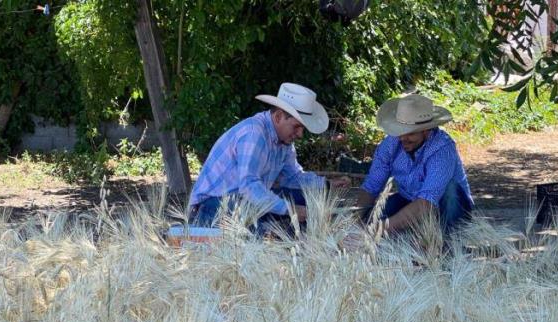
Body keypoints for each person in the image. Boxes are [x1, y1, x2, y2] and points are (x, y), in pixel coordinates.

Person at [188, 82, 351, 228]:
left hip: (242, 201)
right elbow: (249, 186)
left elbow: (293, 177)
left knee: (307, 198)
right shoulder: (254, 134)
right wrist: (290, 210)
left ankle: (285, 234)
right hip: (212, 205)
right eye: (296, 127)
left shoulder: (284, 142)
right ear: (279, 116)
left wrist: (326, 184)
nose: (300, 134)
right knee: (258, 221)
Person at [355, 94, 473, 233]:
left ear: (426, 131)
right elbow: (372, 185)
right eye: (400, 131)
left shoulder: (442, 149)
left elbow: (427, 202)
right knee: (372, 218)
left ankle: (450, 238)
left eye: (410, 133)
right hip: (409, 199)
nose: (403, 138)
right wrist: (355, 223)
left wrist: (379, 230)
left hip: (446, 204)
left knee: (450, 192)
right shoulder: (391, 143)